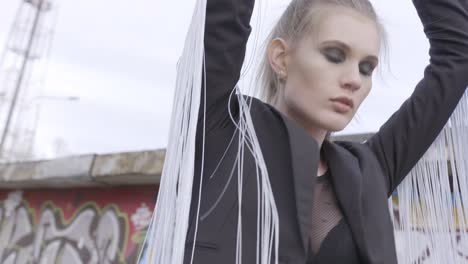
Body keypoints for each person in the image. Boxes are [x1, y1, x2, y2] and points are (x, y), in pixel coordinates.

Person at [183, 0, 468, 263]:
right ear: (281, 58)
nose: (354, 80)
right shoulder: (222, 134)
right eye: (334, 55)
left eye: (366, 68)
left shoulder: (369, 169)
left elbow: (458, 54)